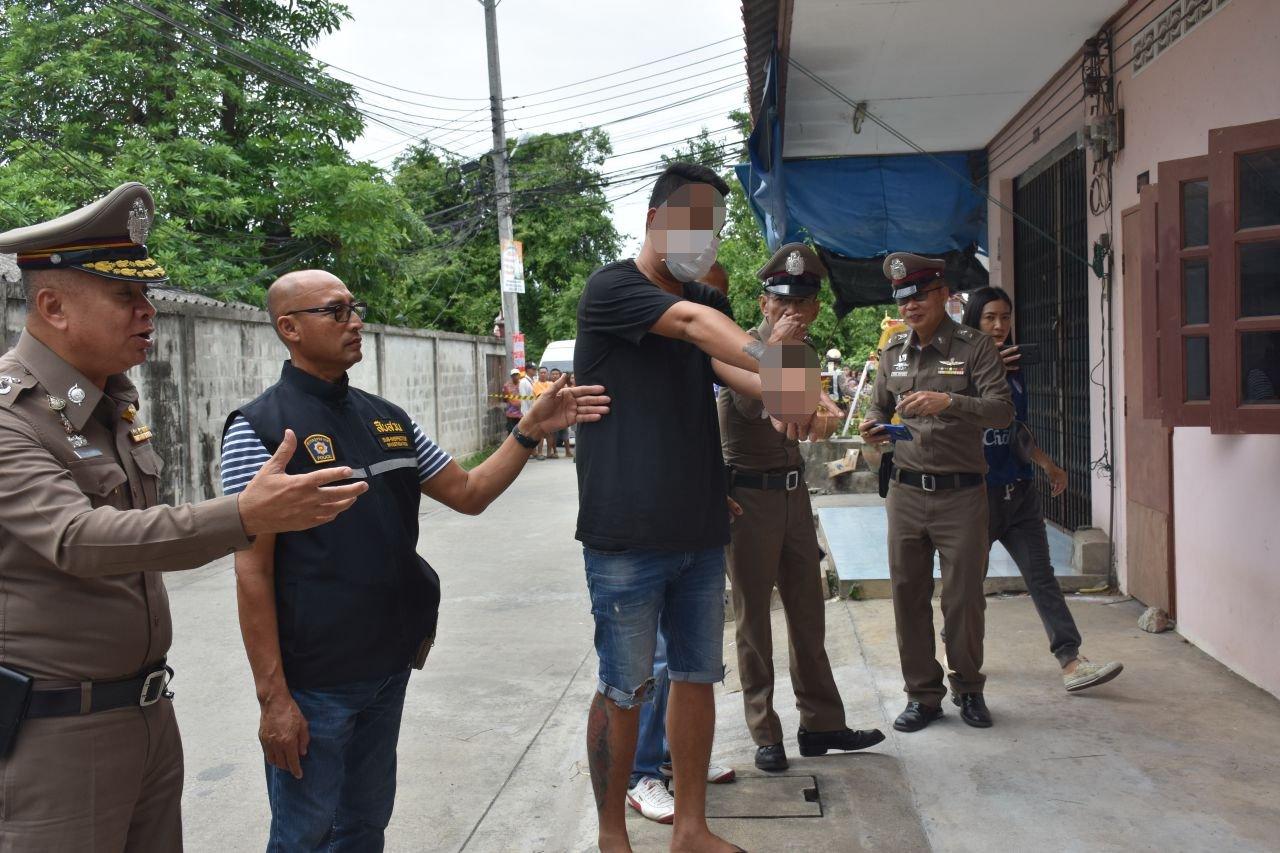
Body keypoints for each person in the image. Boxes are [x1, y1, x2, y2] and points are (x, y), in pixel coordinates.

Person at [0, 183, 367, 851]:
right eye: (125, 296)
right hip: (56, 729)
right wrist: (243, 514)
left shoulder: (109, 406)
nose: (148, 311)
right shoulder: (11, 417)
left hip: (144, 713)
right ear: (52, 306)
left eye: (146, 293)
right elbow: (76, 538)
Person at [219, 270, 609, 852]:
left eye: (355, 307)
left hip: (386, 666)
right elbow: (252, 571)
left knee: (365, 823)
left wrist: (529, 428)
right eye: (335, 311)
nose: (355, 321)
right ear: (290, 328)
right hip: (314, 682)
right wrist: (273, 697)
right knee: (304, 834)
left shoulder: (388, 420)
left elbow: (470, 492)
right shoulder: (259, 429)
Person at [575, 162, 811, 853]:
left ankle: (690, 828)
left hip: (701, 530)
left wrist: (797, 386)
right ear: (654, 221)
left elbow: (738, 371)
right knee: (625, 688)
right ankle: (612, 835)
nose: (705, 239)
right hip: (626, 534)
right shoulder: (614, 289)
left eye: (715, 226)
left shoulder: (704, 296)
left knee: (696, 677)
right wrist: (771, 354)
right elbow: (695, 326)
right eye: (694, 223)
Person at [722, 243, 885, 771]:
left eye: (802, 303)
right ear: (763, 303)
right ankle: (765, 732)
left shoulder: (805, 353)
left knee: (809, 616)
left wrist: (825, 413)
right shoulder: (740, 347)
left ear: (815, 308)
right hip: (747, 500)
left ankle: (821, 724)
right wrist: (774, 350)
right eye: (782, 301)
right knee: (754, 622)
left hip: (793, 496)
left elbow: (805, 422)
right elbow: (754, 402)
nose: (792, 312)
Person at [859, 252, 1013, 733]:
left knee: (963, 599)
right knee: (907, 595)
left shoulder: (974, 347)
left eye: (920, 296)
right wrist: (872, 428)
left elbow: (1001, 411)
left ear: (944, 295)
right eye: (902, 299)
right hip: (905, 492)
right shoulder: (893, 352)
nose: (910, 306)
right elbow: (877, 409)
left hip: (961, 494)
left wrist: (949, 401)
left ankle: (968, 687)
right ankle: (922, 695)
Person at [962, 287, 1124, 693]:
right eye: (989, 318)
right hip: (975, 498)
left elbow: (1018, 429)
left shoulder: (1015, 371)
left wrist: (1048, 464)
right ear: (974, 322)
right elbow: (951, 414)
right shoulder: (955, 368)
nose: (999, 326)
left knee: (1042, 577)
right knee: (966, 586)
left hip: (1019, 494)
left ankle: (1071, 661)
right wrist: (984, 371)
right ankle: (957, 653)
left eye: (1005, 317)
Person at [548, 368, 573, 458]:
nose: (555, 376)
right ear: (550, 376)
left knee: (565, 433)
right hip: (552, 413)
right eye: (553, 374)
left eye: (557, 374)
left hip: (563, 412)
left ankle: (568, 451)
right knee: (553, 434)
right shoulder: (549, 385)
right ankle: (555, 451)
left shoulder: (564, 385)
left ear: (560, 375)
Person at [503, 368, 523, 432]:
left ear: (519, 375)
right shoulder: (506, 386)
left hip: (521, 412)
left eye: (517, 374)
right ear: (511, 376)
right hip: (511, 413)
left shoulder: (523, 384)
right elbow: (504, 398)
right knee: (511, 431)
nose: (515, 376)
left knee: (521, 431)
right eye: (514, 375)